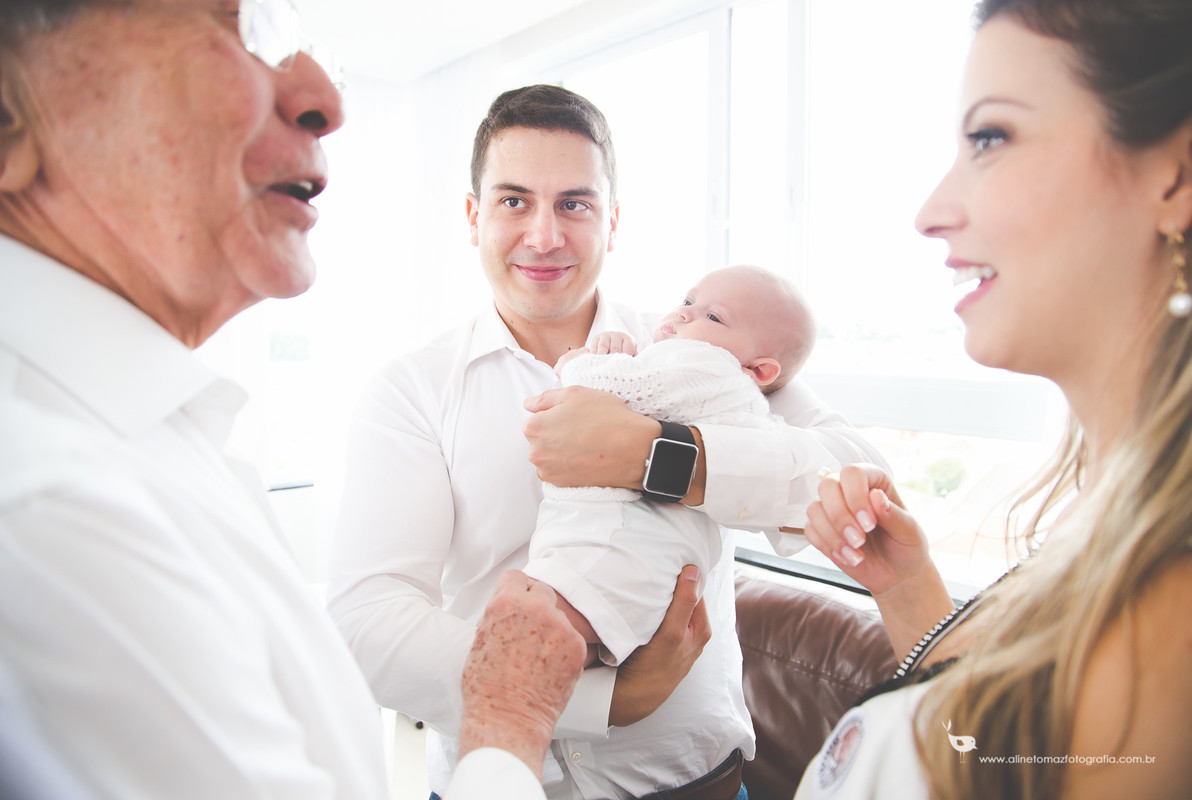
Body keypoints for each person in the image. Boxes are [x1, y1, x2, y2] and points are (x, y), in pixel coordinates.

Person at [0, 2, 587, 797]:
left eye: (575, 202)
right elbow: (373, 624)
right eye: (234, 26)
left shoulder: (155, 431)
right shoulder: (48, 503)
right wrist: (512, 714)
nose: (326, 99)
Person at [327, 84, 887, 800]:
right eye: (513, 201)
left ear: (611, 221)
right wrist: (600, 700)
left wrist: (657, 455)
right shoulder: (411, 390)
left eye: (574, 204)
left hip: (697, 786)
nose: (543, 236)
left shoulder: (704, 346)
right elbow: (366, 622)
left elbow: (861, 477)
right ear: (473, 217)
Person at [797, 1, 1192, 798]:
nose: (930, 213)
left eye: (990, 138)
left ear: (1179, 175)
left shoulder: (1165, 626)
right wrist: (911, 596)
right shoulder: (1119, 535)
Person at [527, 264, 817, 666]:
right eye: (687, 301)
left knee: (530, 629)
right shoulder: (714, 377)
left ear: (758, 369)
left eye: (713, 316)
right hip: (631, 566)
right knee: (552, 649)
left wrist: (577, 363)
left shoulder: (706, 366)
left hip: (615, 550)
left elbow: (618, 388)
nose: (684, 313)